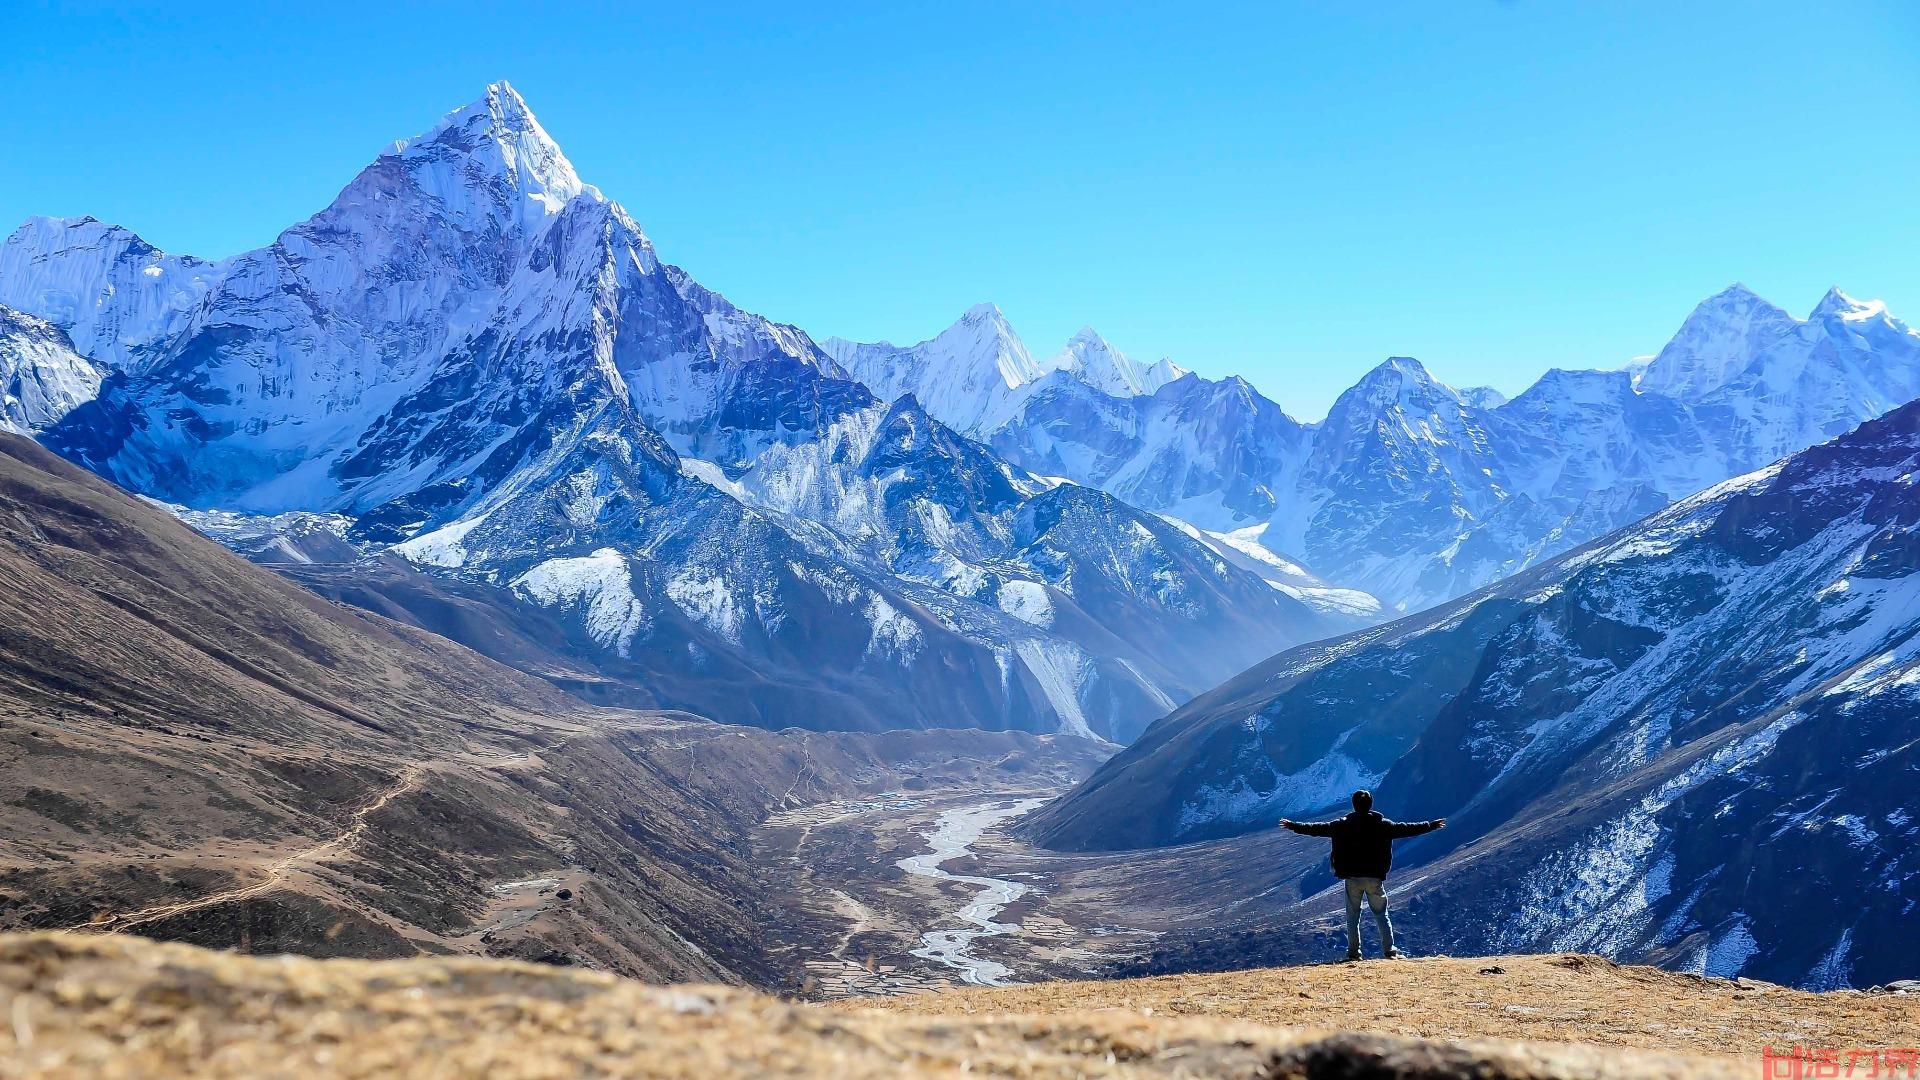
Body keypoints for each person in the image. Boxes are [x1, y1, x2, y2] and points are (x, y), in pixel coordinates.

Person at [1280, 790, 1445, 962]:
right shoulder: (1383, 825)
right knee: (1381, 914)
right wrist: (1431, 825)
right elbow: (1408, 829)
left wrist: (1292, 825)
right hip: (1374, 877)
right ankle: (1390, 951)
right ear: (1371, 805)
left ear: (1353, 805)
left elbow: (1315, 829)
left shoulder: (1342, 825)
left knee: (1352, 916)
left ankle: (1354, 953)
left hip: (1352, 878)